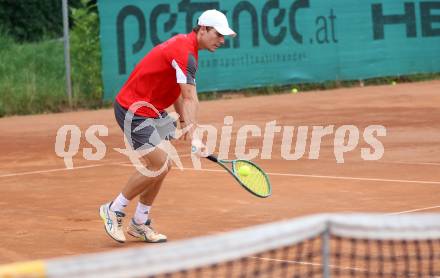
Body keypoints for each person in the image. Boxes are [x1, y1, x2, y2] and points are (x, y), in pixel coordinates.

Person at [99, 10, 236, 243]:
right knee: (159, 163)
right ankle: (114, 209)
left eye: (224, 36)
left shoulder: (189, 49)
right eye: (218, 34)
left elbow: (178, 93)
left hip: (153, 111)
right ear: (202, 29)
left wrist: (184, 121)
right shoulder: (184, 52)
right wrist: (194, 137)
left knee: (165, 165)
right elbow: (190, 97)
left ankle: (140, 222)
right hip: (134, 109)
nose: (222, 40)